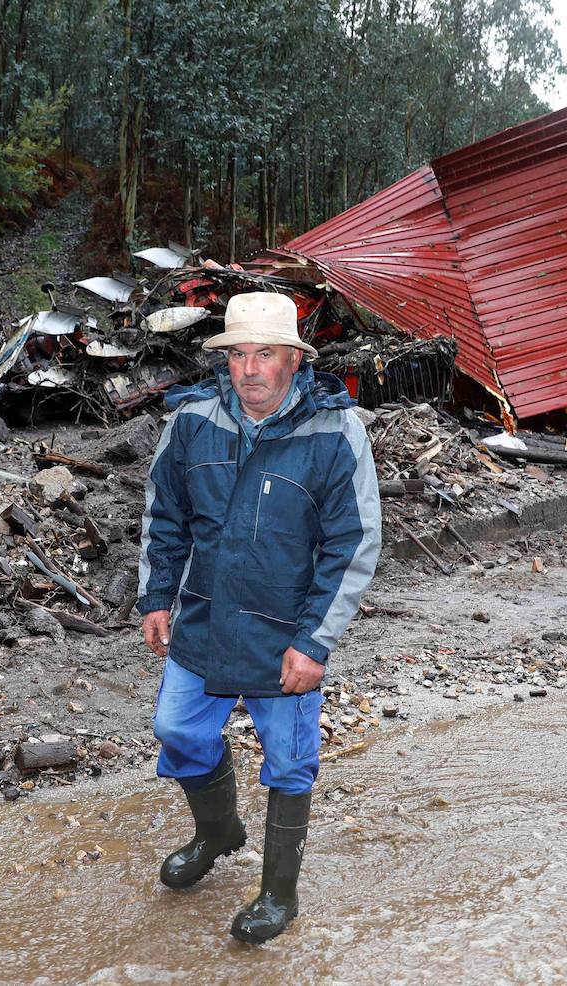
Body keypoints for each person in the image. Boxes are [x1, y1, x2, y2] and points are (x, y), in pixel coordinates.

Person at [137, 290, 381, 943]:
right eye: (238, 353)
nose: (249, 369)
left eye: (265, 354)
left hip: (286, 635)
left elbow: (352, 545)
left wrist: (315, 642)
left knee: (290, 762)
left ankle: (279, 894)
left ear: (294, 361)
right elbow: (167, 518)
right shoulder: (192, 421)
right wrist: (157, 595)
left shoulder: (335, 433)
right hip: (205, 622)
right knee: (177, 728)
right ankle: (217, 830)